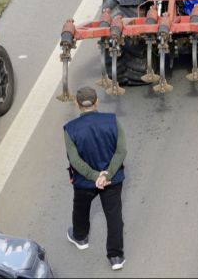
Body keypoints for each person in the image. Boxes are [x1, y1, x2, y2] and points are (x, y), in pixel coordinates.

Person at [63, 86, 127, 271]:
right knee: (114, 215)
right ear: (97, 102)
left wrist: (94, 176)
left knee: (80, 208)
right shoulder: (113, 121)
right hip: (112, 180)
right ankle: (115, 256)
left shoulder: (70, 129)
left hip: (84, 181)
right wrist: (107, 174)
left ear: (77, 103)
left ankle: (80, 237)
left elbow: (74, 160)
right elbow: (121, 150)